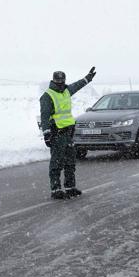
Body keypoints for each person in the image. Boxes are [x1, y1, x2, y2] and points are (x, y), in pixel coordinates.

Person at [39, 67, 97, 199]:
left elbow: (77, 85)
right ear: (53, 81)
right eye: (58, 81)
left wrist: (87, 78)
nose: (60, 83)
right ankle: (56, 190)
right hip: (57, 133)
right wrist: (47, 134)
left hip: (68, 133)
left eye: (62, 80)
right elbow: (44, 116)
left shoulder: (66, 91)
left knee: (70, 161)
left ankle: (70, 187)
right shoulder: (47, 96)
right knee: (56, 163)